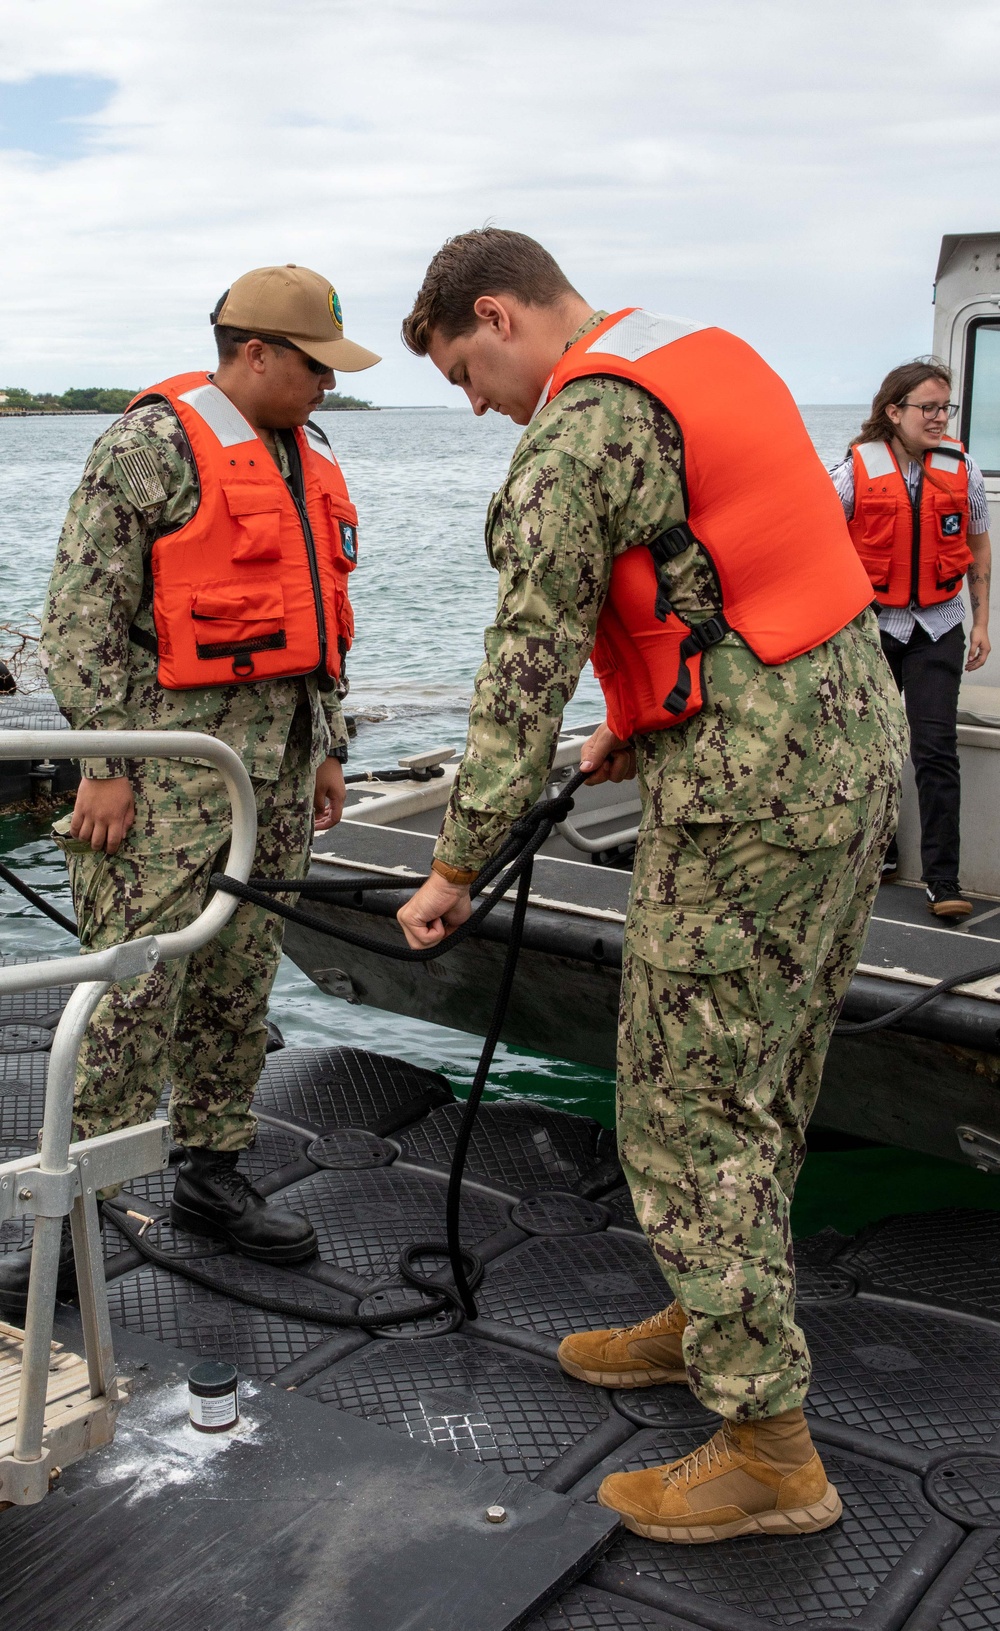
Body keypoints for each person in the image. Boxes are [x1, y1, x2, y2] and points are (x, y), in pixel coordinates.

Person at [395, 229, 906, 1546]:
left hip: (750, 790)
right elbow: (724, 575)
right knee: (767, 1069)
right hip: (846, 744)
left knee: (685, 1099)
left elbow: (518, 677)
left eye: (464, 370)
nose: (474, 402)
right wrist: (642, 710)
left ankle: (769, 1445)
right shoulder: (697, 352)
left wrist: (459, 866)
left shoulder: (577, 431)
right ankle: (707, 1307)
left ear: (498, 316)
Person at [0, 264, 379, 1316]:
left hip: (279, 777)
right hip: (169, 782)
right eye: (313, 367)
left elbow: (319, 618)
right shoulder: (148, 447)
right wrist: (107, 767)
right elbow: (78, 622)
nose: (324, 387)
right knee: (131, 1001)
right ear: (253, 352)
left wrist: (327, 745)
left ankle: (213, 1175)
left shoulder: (307, 450)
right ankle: (67, 1224)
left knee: (236, 990)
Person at [831, 360, 992, 917]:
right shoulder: (853, 473)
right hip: (874, 627)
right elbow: (822, 544)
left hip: (939, 626)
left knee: (935, 750)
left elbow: (978, 547)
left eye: (944, 407)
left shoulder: (962, 470)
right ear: (893, 411)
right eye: (928, 408)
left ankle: (943, 881)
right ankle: (877, 859)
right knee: (866, 752)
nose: (939, 418)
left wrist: (981, 622)